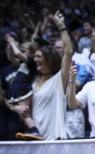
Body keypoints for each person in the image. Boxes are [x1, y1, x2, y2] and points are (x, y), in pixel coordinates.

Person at [31, 10, 73, 140]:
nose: (35, 59)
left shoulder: (59, 79)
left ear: (48, 60)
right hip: (35, 137)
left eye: (38, 57)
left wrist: (62, 27)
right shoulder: (34, 82)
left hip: (54, 138)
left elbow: (68, 52)